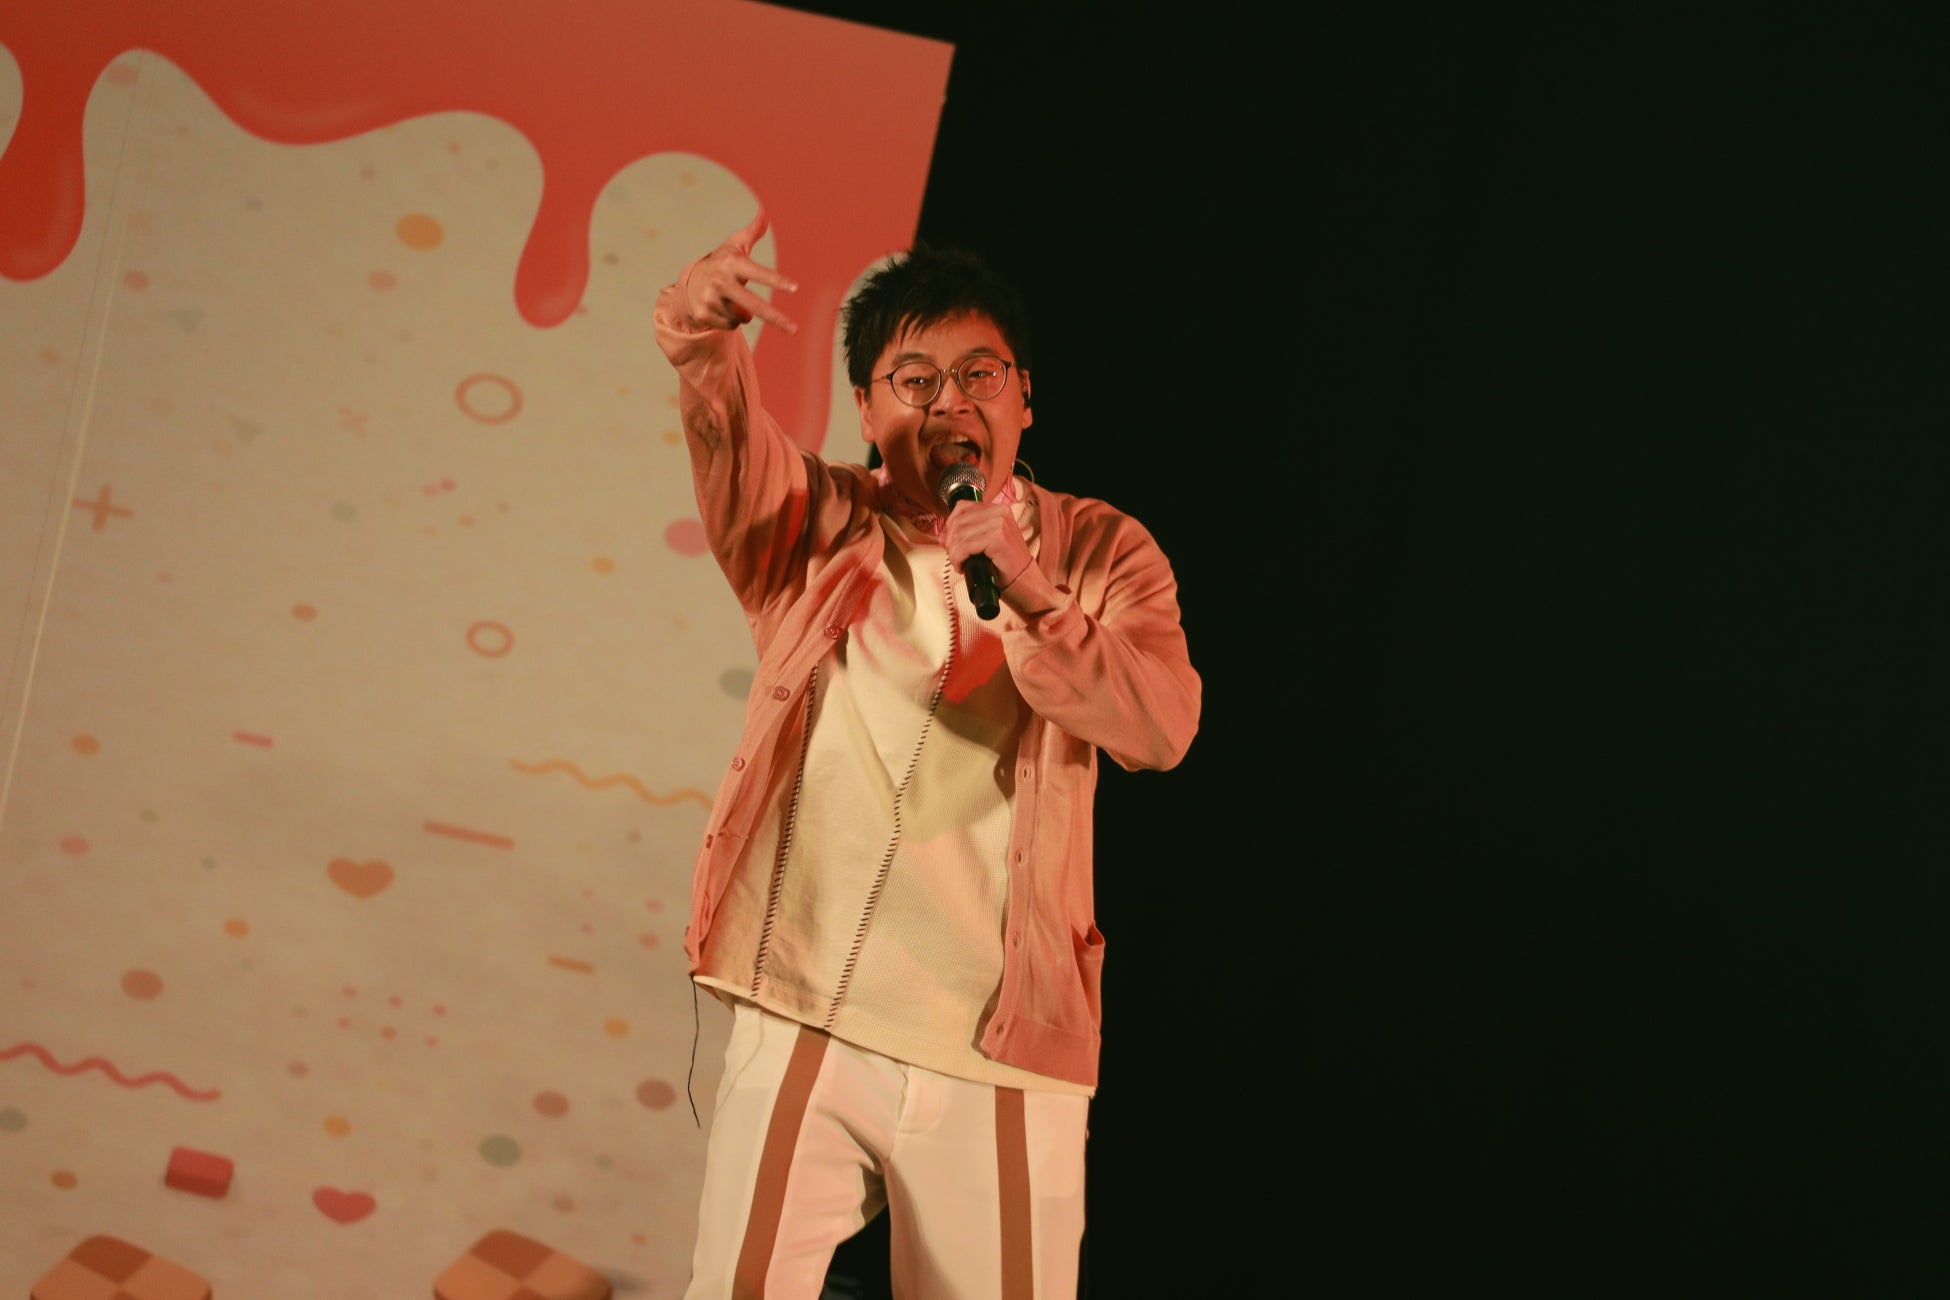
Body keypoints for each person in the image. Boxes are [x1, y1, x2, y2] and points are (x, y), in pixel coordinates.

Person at [655, 209, 1199, 1299]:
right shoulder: (815, 529)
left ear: (1025, 396)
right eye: (914, 380)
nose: (949, 403)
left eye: (978, 374)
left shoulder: (1102, 550)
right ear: (866, 411)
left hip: (999, 1047)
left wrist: (1033, 593)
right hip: (808, 1007)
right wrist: (699, 339)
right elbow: (730, 443)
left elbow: (1160, 727)